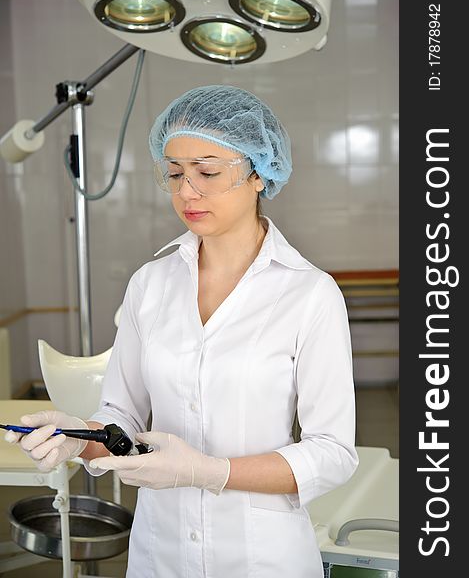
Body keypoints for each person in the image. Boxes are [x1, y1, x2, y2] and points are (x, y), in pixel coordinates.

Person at [6, 85, 359, 578]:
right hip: (161, 554)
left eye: (208, 172)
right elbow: (119, 416)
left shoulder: (309, 294)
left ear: (259, 173)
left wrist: (210, 472)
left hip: (261, 557)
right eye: (174, 173)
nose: (187, 192)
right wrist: (78, 437)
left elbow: (333, 453)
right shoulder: (150, 284)